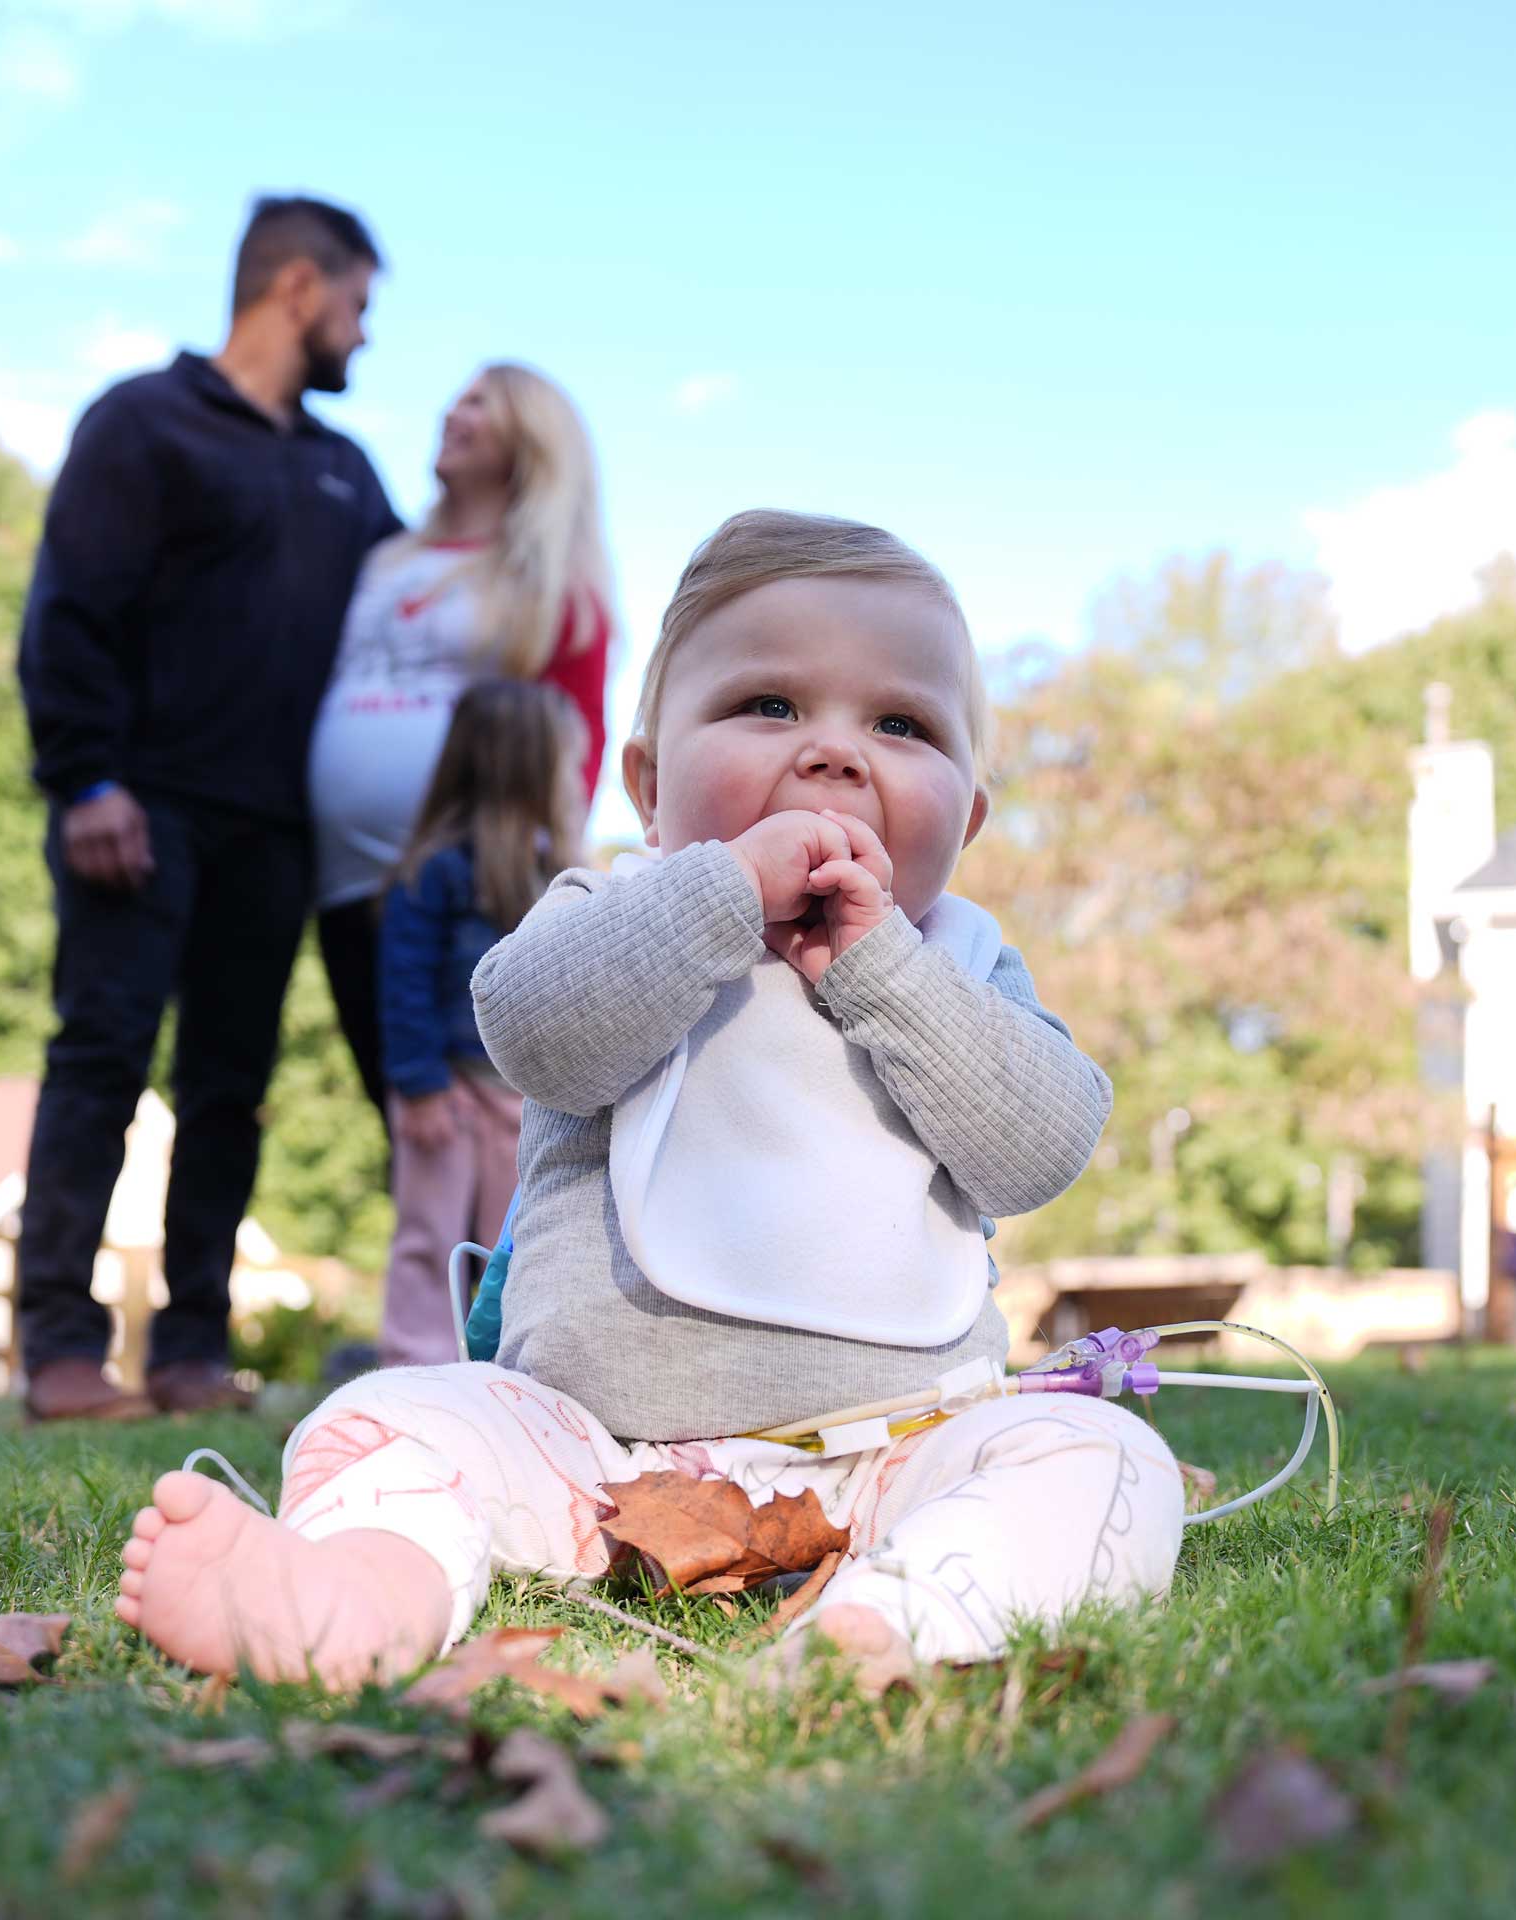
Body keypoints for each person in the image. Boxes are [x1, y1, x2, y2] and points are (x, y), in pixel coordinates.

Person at [115, 509, 1182, 1687]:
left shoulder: (961, 968)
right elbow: (534, 1034)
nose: (833, 752)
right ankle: (358, 1593)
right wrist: (717, 895)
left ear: (969, 819)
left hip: (895, 1454)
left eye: (903, 723)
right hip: (588, 1454)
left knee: (1099, 1455)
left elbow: (1040, 1145)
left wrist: (884, 973)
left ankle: (897, 1620)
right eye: (768, 706)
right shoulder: (614, 913)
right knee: (388, 1420)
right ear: (650, 788)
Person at [15, 195, 400, 1422]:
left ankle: (190, 1350)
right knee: (102, 1060)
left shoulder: (347, 473)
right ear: (299, 287)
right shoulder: (143, 423)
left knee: (229, 1089)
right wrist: (86, 779)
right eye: (359, 303)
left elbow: (417, 614)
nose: (363, 333)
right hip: (139, 808)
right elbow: (67, 612)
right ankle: (61, 1351)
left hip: (277, 833)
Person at [308, 362, 613, 1120]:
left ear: (528, 439)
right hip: (342, 878)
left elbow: (578, 741)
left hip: (464, 889)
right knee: (398, 1108)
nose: (452, 411)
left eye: (479, 401)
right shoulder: (384, 557)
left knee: (471, 1123)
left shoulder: (548, 583)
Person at [376, 678, 586, 1366]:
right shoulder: (437, 872)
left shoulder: (554, 873)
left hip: (526, 1103)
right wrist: (418, 1084)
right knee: (429, 1235)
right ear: (528, 766)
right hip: (449, 1092)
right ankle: (413, 1367)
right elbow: (404, 983)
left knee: (521, 1247)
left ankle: (509, 1375)